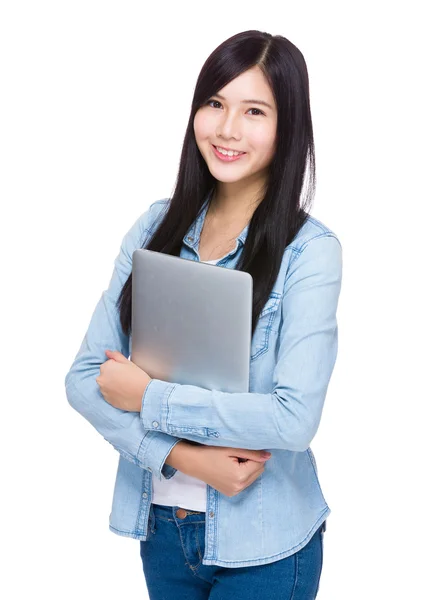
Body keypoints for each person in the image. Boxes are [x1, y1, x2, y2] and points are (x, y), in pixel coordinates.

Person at [65, 29, 343, 600]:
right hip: (163, 533)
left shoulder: (309, 251)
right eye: (214, 103)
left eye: (254, 110)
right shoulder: (154, 227)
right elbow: (84, 379)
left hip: (265, 543)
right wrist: (184, 456)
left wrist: (148, 397)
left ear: (287, 126)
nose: (227, 129)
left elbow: (294, 418)